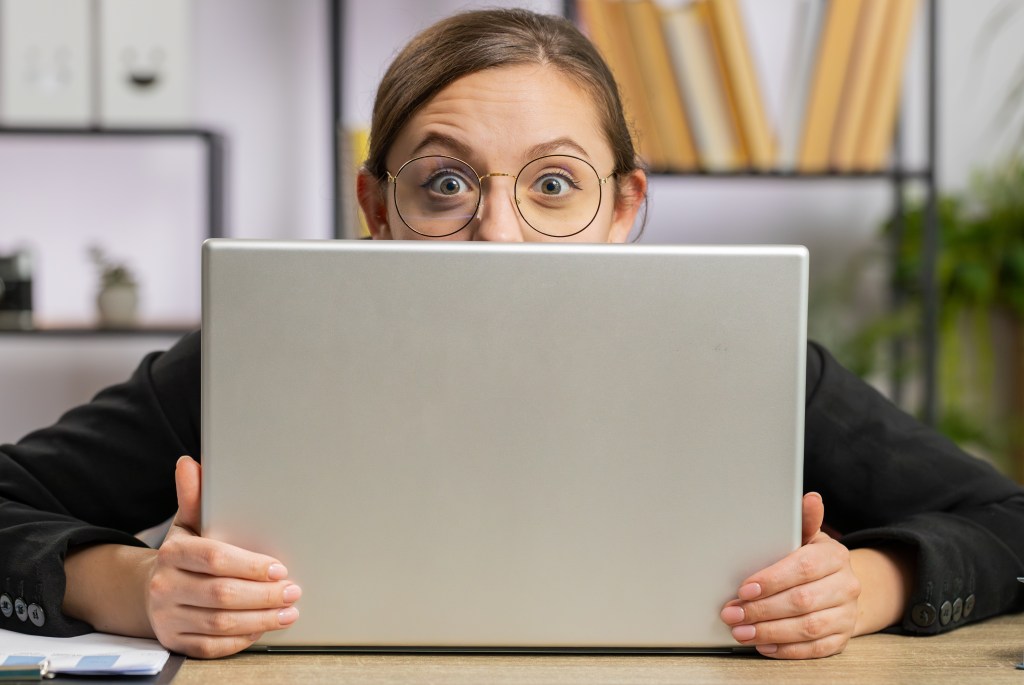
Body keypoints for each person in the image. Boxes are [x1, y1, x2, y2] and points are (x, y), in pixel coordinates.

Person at [1, 8, 1022, 661]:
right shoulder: (250, 359)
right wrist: (130, 587)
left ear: (622, 205)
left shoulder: (748, 365)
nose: (496, 227)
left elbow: (1004, 521)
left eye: (552, 185)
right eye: (444, 183)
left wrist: (866, 585)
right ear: (376, 202)